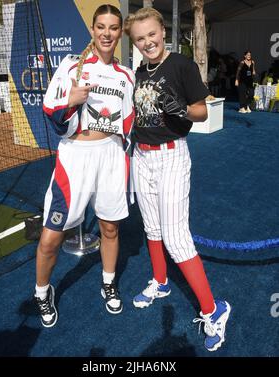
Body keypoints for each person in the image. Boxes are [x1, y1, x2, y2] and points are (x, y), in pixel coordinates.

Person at [124, 7, 231, 352]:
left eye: (151, 34)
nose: (147, 42)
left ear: (163, 31)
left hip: (171, 156)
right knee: (152, 229)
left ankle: (214, 310)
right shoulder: (141, 71)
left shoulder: (181, 65)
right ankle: (160, 281)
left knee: (177, 238)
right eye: (140, 39)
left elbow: (203, 110)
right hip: (142, 156)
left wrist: (181, 109)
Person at [35, 4, 135, 327]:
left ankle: (108, 282)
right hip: (76, 155)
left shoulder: (126, 76)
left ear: (120, 33)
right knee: (51, 235)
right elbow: (50, 109)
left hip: (109, 155)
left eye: (113, 28)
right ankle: (42, 292)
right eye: (101, 27)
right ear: (92, 30)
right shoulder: (70, 66)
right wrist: (71, 102)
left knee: (109, 227)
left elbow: (130, 120)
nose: (107, 33)